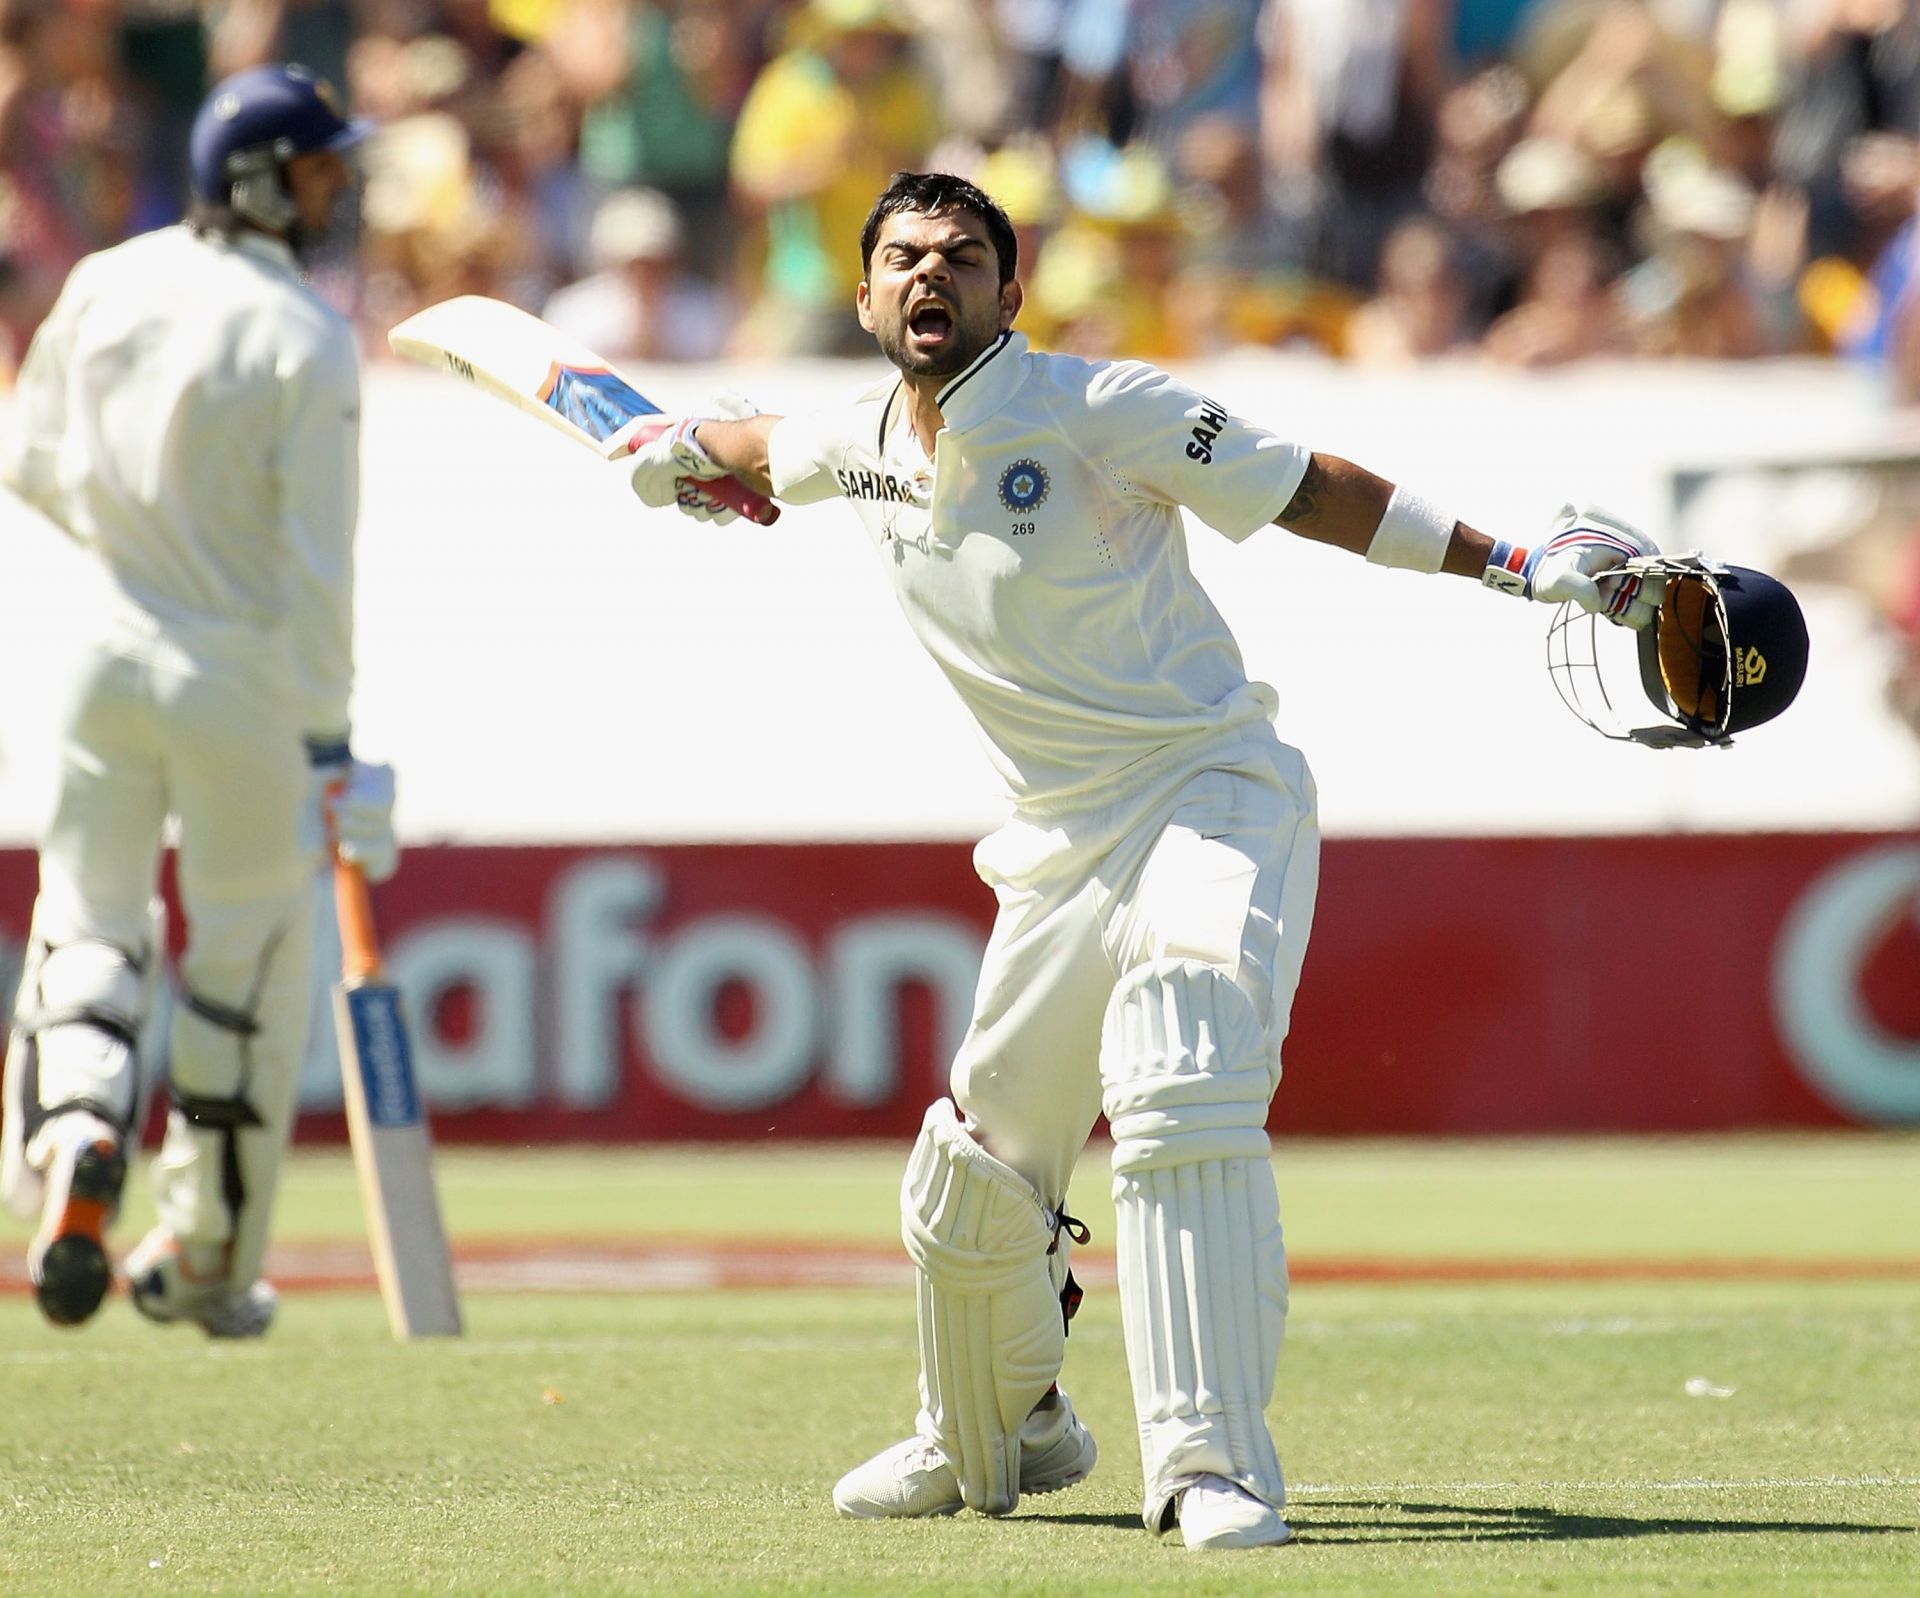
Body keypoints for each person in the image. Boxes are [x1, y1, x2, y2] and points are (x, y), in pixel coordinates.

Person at [621, 171, 1661, 1550]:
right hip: (1053, 844)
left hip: (1206, 790)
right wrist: (678, 456)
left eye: (962, 257)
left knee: (1180, 1059)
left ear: (1012, 284)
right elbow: (751, 446)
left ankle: (1209, 1462)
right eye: (904, 258)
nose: (932, 277)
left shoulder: (1099, 407)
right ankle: (999, 1425)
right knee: (980, 1168)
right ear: (863, 289)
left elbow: (1311, 489)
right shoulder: (852, 435)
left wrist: (1521, 563)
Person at [0, 63, 399, 1338]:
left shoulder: (106, 279)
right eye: (321, 167)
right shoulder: (303, 334)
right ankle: (205, 1253)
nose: (337, 188)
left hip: (105, 652)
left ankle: (73, 1138)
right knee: (242, 968)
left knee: (89, 924)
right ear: (258, 178)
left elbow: (27, 460)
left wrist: (138, 550)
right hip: (241, 680)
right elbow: (318, 568)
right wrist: (332, 734)